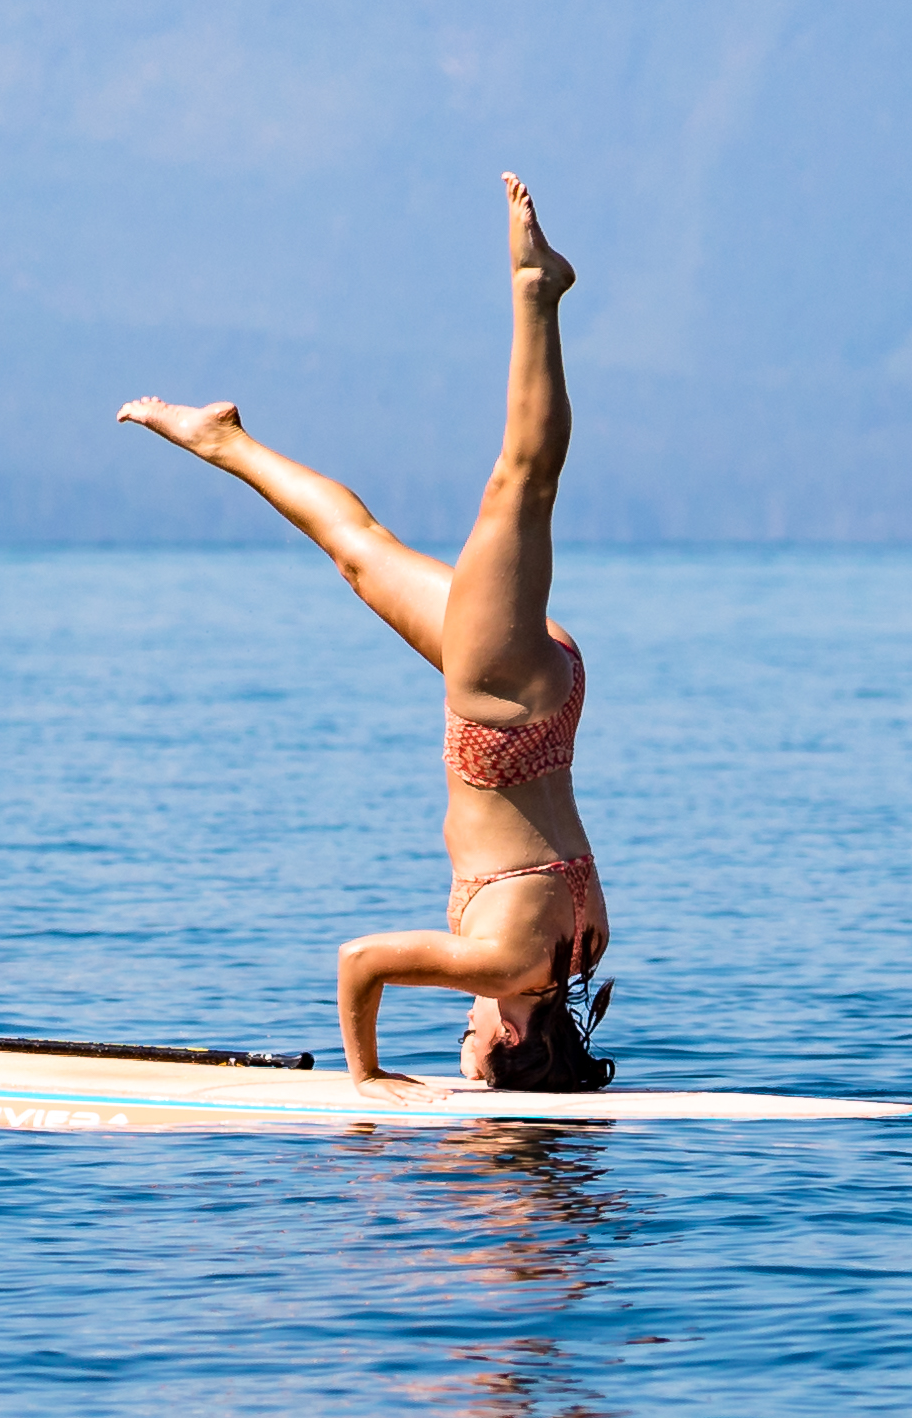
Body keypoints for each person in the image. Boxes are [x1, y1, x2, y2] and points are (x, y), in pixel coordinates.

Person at [120, 172, 610, 1090]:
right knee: (521, 484)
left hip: (542, 699)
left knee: (359, 552)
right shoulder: (505, 970)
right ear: (507, 1044)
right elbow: (361, 962)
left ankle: (223, 439)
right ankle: (536, 293)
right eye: (468, 1052)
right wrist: (367, 1080)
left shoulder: (580, 953)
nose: (460, 1041)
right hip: (498, 702)